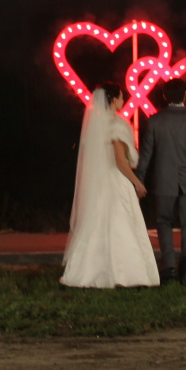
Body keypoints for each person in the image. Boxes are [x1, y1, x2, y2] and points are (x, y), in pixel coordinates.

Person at [60, 85, 160, 288]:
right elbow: (120, 161)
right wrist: (137, 182)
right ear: (114, 100)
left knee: (98, 224)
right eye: (121, 97)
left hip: (100, 182)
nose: (123, 101)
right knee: (120, 224)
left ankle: (87, 272)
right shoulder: (117, 124)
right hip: (116, 181)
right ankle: (125, 274)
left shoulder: (96, 126)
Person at [136, 80, 186, 284]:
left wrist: (140, 179)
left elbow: (145, 155)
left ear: (164, 96)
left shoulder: (155, 121)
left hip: (162, 180)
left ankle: (169, 268)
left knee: (163, 223)